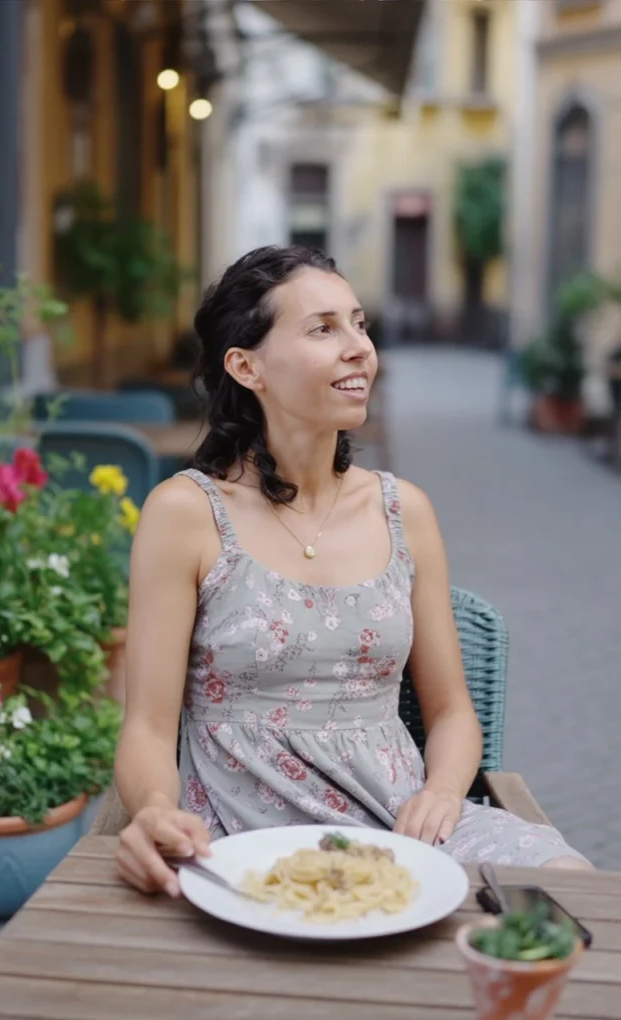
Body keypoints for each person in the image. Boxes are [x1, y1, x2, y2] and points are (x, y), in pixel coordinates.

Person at [115, 245, 591, 898]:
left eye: (360, 324)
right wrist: (150, 813)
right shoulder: (186, 515)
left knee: (571, 889)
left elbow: (451, 710)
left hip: (405, 825)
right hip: (238, 836)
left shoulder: (404, 512)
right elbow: (146, 725)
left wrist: (444, 794)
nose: (359, 348)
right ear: (246, 365)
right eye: (323, 328)